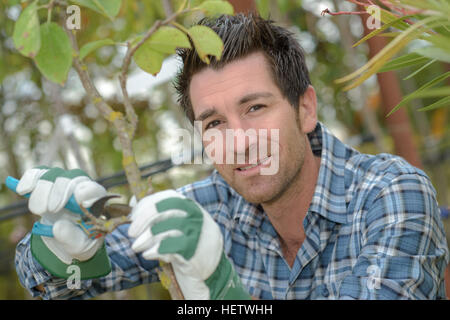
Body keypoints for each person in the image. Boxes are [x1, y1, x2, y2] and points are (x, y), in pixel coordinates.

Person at [14, 13, 449, 300]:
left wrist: (222, 292)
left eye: (255, 108)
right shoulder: (207, 206)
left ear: (305, 108)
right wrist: (65, 249)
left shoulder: (391, 194)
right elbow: (50, 288)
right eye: (215, 123)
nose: (238, 143)